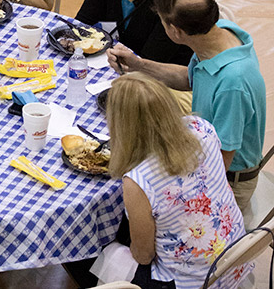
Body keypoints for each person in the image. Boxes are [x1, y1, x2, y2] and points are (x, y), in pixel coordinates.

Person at [107, 0, 266, 215]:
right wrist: (138, 65)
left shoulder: (233, 83)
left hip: (227, 179)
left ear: (175, 31)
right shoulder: (219, 34)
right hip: (202, 149)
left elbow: (221, 161)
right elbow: (190, 78)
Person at [88, 72, 249, 288]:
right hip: (236, 258)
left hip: (192, 282)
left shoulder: (139, 180)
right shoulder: (201, 127)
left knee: (101, 252)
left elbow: (143, 255)